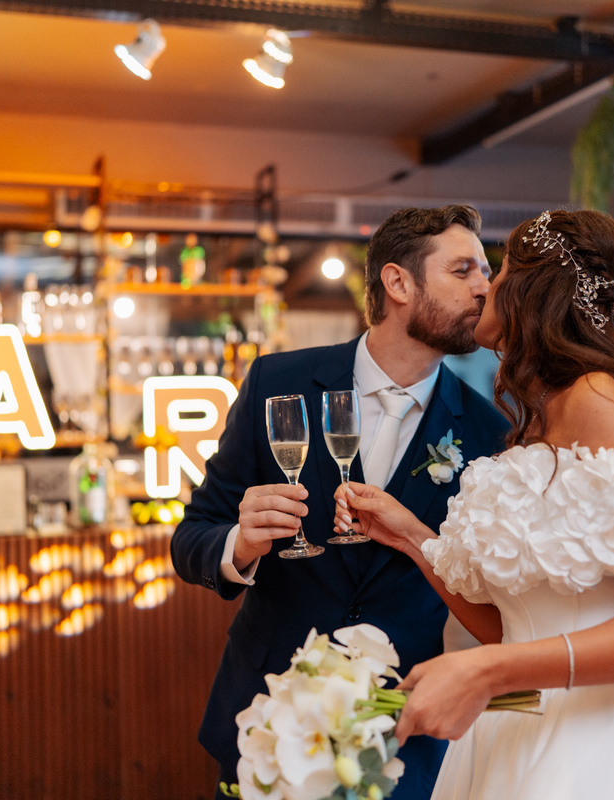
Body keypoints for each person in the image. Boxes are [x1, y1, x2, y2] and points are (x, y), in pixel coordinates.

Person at [335, 209, 614, 799]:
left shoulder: (601, 402)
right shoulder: (548, 413)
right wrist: (411, 536)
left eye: (500, 269)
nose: (487, 286)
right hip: (520, 728)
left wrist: (490, 672)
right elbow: (515, 623)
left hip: (602, 747)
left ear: (535, 292)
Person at [170, 205, 510, 800]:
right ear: (399, 283)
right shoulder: (279, 383)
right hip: (268, 719)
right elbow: (191, 536)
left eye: (486, 270)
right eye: (463, 270)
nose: (485, 287)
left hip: (403, 731)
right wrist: (239, 546)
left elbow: (488, 590)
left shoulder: (489, 432)